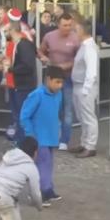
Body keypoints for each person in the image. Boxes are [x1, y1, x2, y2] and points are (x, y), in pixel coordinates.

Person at [20, 66, 65, 207]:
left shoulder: (59, 94)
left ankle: (48, 189)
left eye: (61, 82)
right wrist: (30, 134)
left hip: (51, 136)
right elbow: (24, 116)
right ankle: (39, 193)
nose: (60, 86)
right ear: (48, 79)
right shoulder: (37, 95)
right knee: (42, 164)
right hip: (39, 137)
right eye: (57, 82)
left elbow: (56, 114)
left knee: (48, 163)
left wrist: (58, 129)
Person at [39, 13, 80, 151]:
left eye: (69, 25)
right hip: (51, 77)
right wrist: (43, 57)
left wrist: (67, 65)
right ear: (58, 24)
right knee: (51, 107)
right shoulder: (49, 36)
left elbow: (79, 59)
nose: (67, 28)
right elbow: (40, 50)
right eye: (64, 25)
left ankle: (64, 140)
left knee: (67, 110)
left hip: (68, 78)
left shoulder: (75, 38)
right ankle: (51, 137)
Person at [71, 20, 99, 158]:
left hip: (85, 87)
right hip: (78, 85)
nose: (74, 33)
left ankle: (90, 145)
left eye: (76, 30)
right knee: (81, 116)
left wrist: (86, 89)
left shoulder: (89, 48)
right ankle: (84, 142)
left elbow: (91, 71)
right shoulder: (84, 46)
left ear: (82, 31)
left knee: (88, 117)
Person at [9, 21, 38, 145]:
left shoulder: (23, 45)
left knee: (24, 114)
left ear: (12, 31)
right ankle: (21, 139)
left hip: (25, 85)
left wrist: (12, 70)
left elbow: (28, 66)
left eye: (6, 31)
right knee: (21, 113)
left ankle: (24, 141)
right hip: (21, 84)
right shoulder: (20, 44)